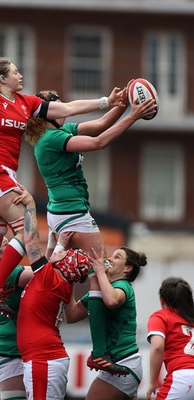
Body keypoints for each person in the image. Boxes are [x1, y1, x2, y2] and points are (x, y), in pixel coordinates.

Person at [0, 53, 125, 316]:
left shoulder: (25, 103)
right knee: (25, 230)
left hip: (3, 173)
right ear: (3, 78)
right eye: (16, 72)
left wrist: (107, 101)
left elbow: (68, 108)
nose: (21, 76)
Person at [24, 88, 155, 370]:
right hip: (73, 214)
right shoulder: (52, 137)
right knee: (100, 272)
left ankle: (61, 314)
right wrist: (134, 114)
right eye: (58, 104)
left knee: (70, 270)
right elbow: (98, 142)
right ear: (47, 114)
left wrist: (120, 104)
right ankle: (100, 351)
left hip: (63, 213)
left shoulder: (56, 130)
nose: (65, 107)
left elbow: (97, 125)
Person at [12, 184, 91, 400]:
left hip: (43, 359)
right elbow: (47, 262)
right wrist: (56, 244)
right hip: (43, 358)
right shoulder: (60, 282)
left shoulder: (51, 278)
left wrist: (30, 206)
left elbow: (29, 241)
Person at [64, 246, 147, 400]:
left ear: (127, 268)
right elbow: (71, 316)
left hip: (124, 362)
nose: (109, 259)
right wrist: (69, 280)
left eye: (117, 257)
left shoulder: (123, 286)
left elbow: (112, 300)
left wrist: (100, 272)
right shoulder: (98, 292)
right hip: (115, 364)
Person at [0, 236, 33, 400]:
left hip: (10, 349)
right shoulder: (4, 272)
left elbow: (40, 267)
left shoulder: (1, 271)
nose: (6, 239)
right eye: (6, 244)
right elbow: (43, 275)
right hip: (8, 351)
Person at [146, 276, 194, 400]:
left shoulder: (161, 316)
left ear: (162, 301)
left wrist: (152, 382)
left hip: (183, 376)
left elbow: (157, 347)